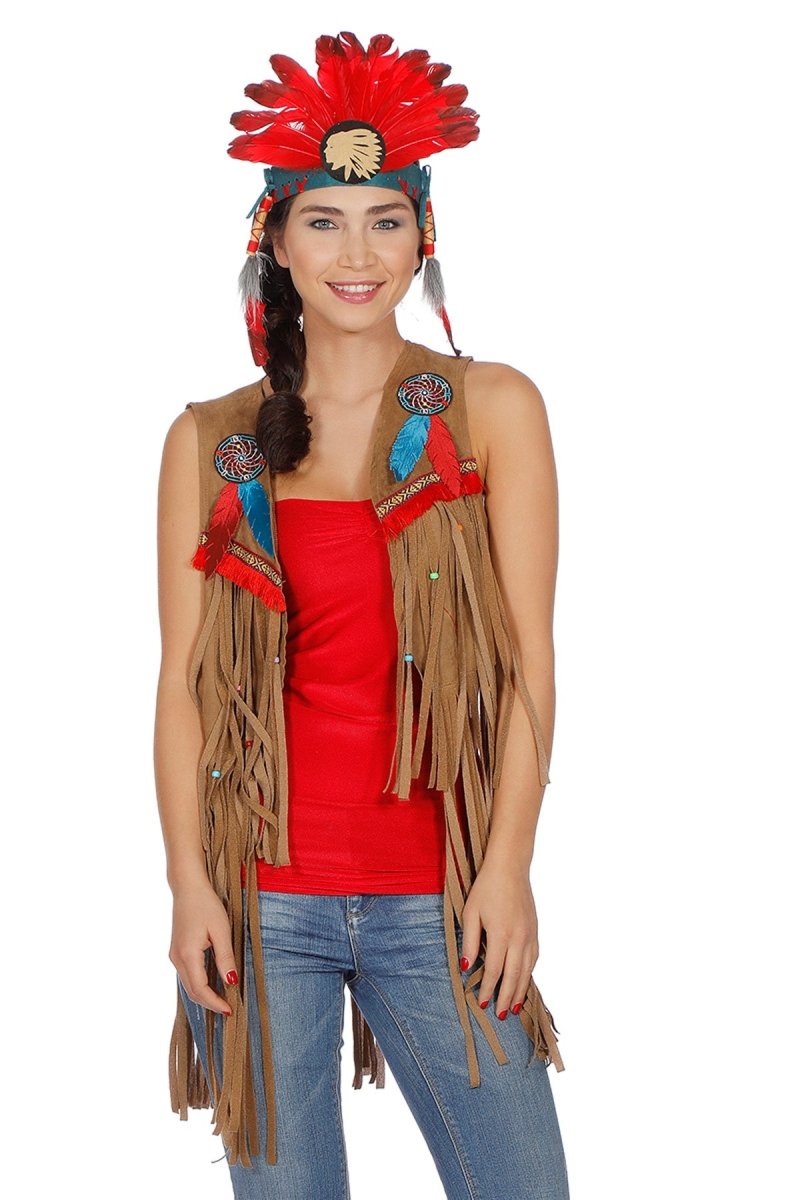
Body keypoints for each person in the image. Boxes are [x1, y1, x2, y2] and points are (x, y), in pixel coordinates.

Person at [154, 30, 570, 1199]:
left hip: (441, 896)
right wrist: (189, 886)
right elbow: (182, 685)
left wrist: (506, 869)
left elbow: (528, 666)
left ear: (420, 237)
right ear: (275, 242)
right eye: (324, 221)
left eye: (385, 220)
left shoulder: (488, 408)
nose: (356, 253)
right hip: (261, 902)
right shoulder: (212, 439)